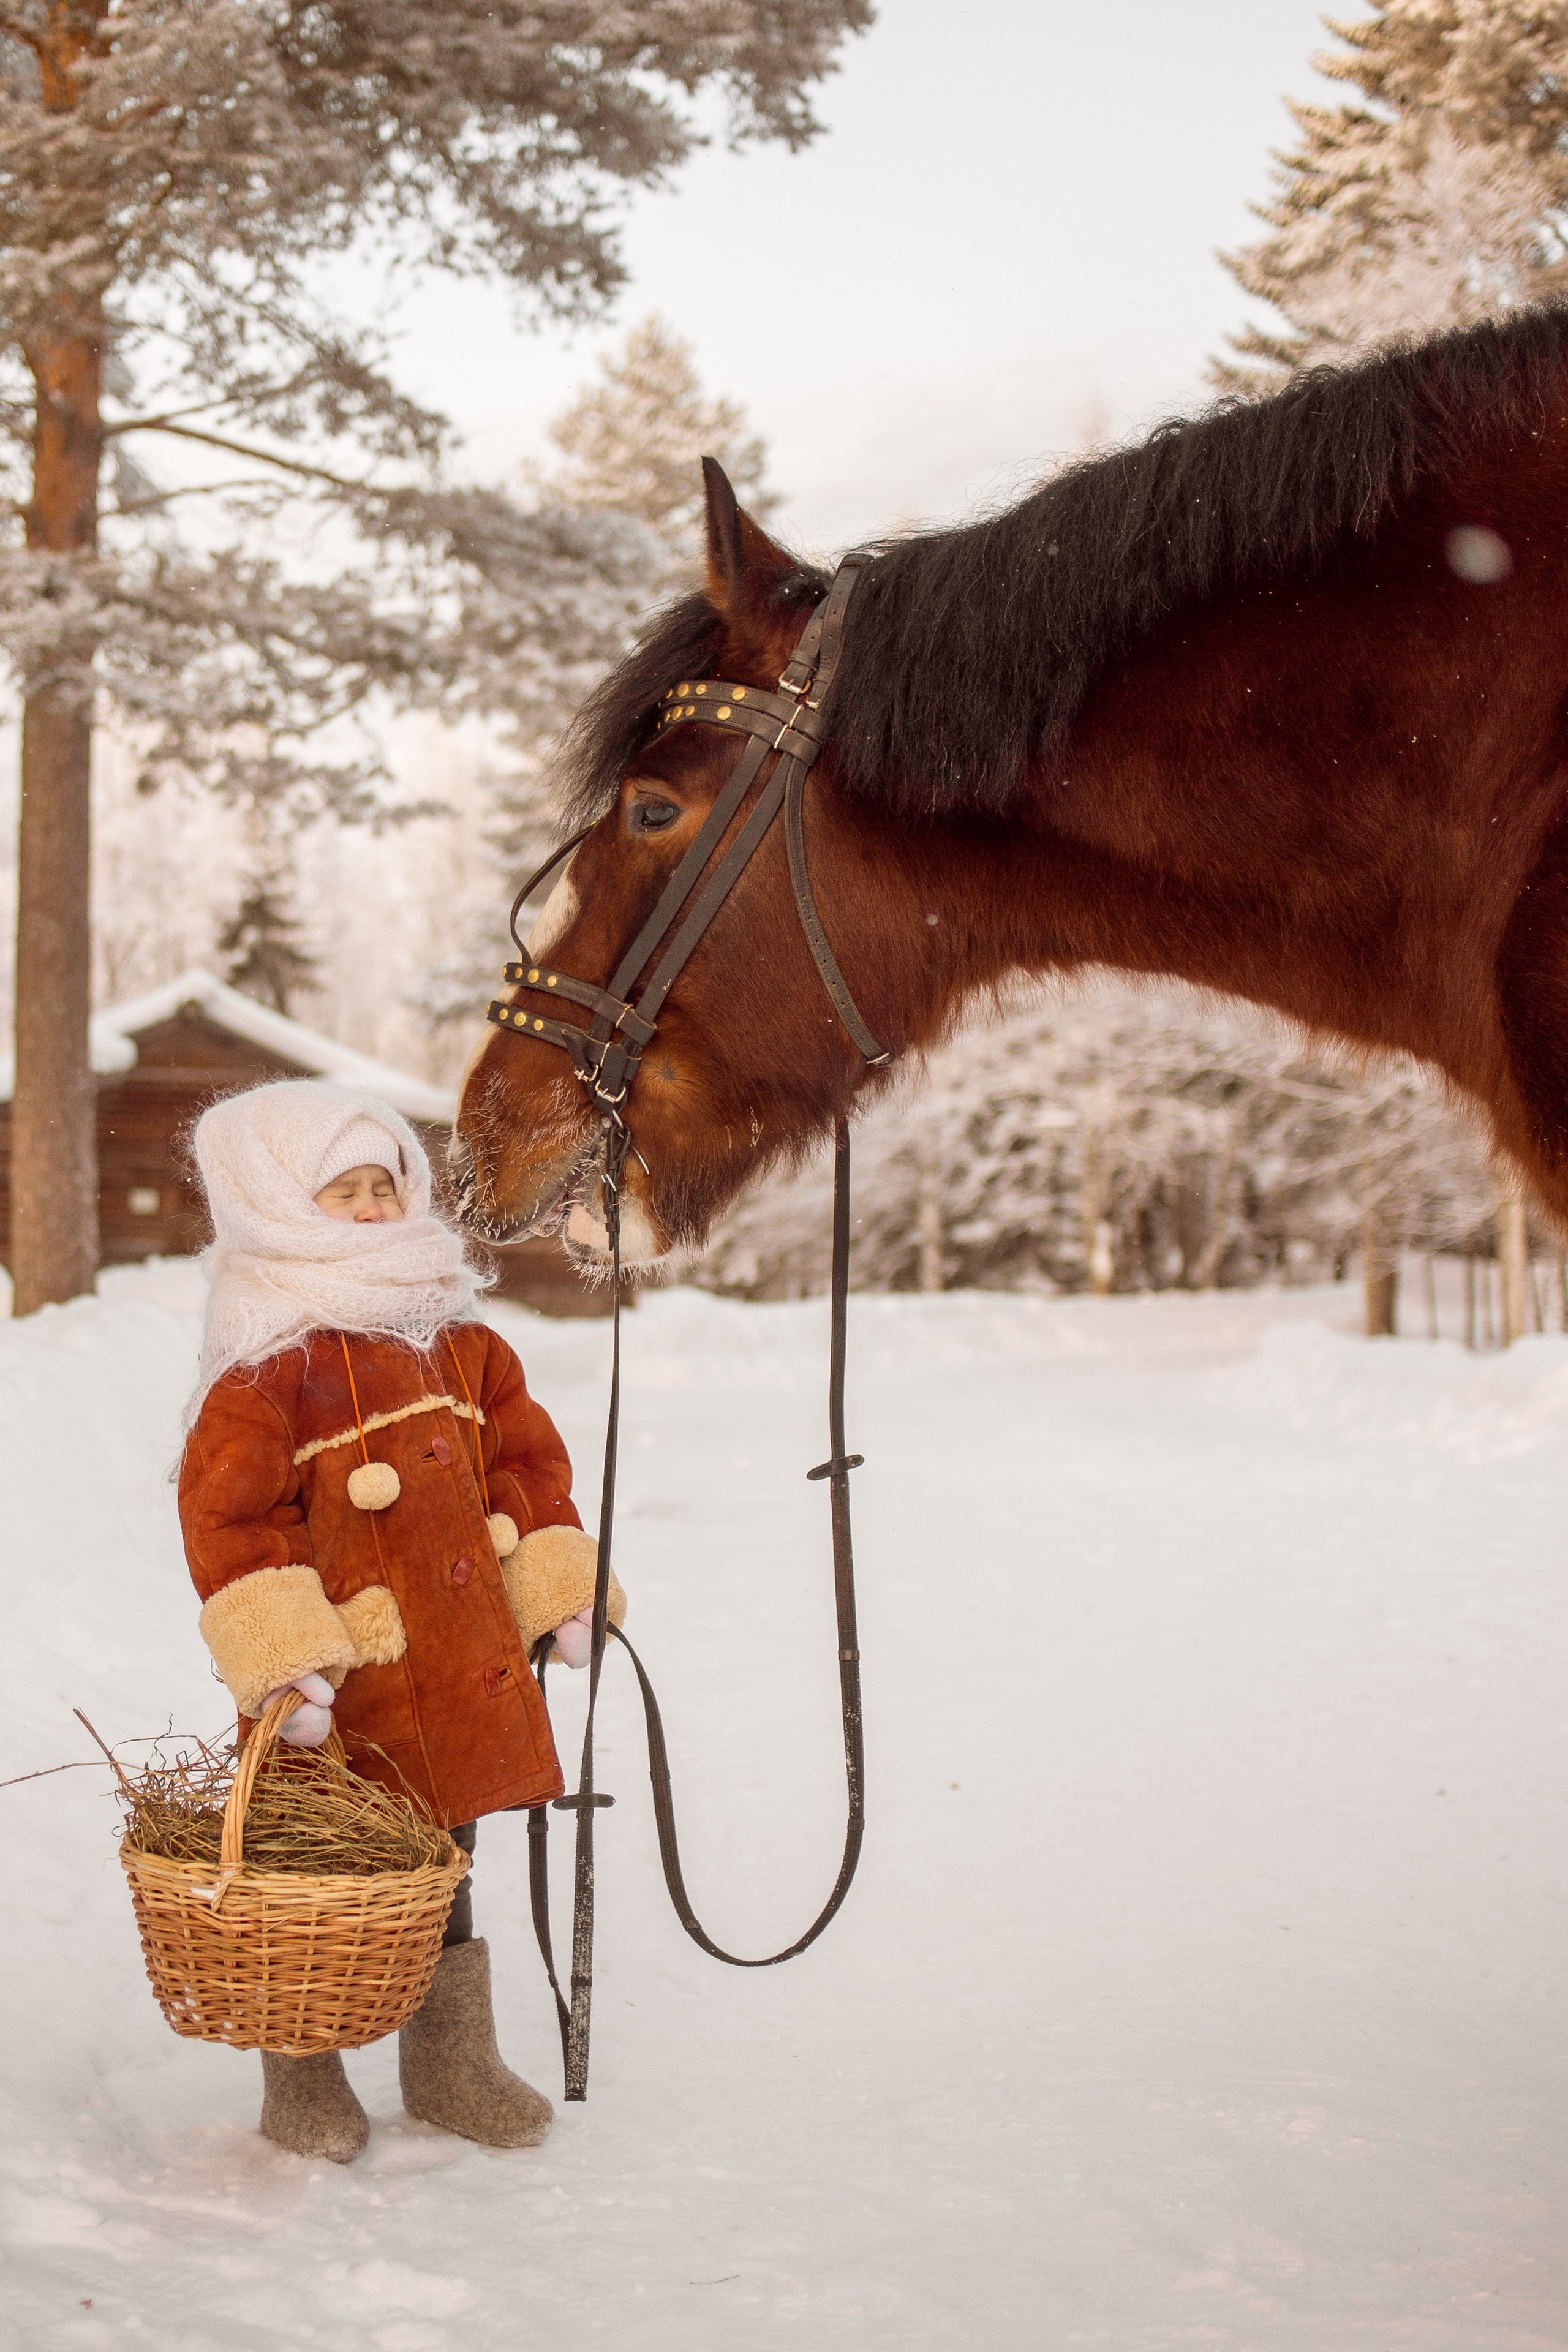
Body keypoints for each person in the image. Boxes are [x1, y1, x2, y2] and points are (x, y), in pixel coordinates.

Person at [177, 1078, 624, 2163]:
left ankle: (450, 2063)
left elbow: (525, 1462)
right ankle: (304, 2071)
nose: (379, 1209)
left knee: (447, 1866)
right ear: (278, 1202)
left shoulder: (463, 1344)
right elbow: (233, 1518)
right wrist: (288, 1659)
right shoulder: (266, 1365)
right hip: (341, 1698)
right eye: (346, 1191)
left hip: (464, 1668)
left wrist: (553, 1582)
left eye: (388, 1185)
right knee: (317, 1884)